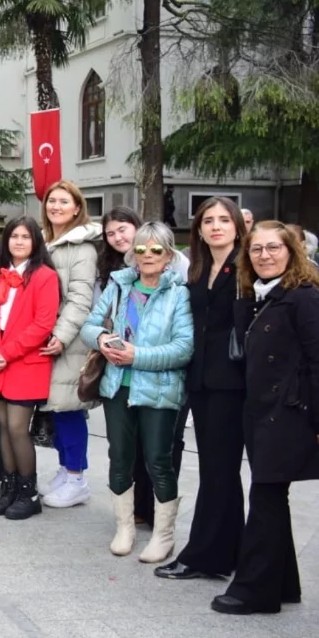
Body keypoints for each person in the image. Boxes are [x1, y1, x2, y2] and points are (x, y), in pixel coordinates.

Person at [211, 220, 319, 615]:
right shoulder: (260, 296)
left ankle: (255, 590)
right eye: (256, 249)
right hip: (261, 413)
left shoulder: (303, 297)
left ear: (292, 251)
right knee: (273, 496)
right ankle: (285, 584)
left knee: (266, 497)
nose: (264, 256)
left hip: (288, 415)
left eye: (274, 248)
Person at [81, 222, 193, 561]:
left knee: (159, 460)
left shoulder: (179, 293)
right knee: (120, 458)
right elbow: (90, 326)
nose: (147, 255)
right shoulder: (118, 286)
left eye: (156, 249)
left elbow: (184, 348)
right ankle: (124, 527)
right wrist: (101, 339)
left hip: (160, 390)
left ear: (169, 255)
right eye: (141, 249)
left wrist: (137, 355)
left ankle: (163, 535)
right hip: (117, 386)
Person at [157, 197, 249, 580]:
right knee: (219, 470)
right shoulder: (196, 268)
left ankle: (201, 555)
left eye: (223, 220)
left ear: (237, 226)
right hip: (200, 380)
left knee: (218, 471)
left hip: (234, 381)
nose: (215, 227)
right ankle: (230, 554)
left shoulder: (247, 268)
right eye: (207, 220)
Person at [0, 216, 61, 520]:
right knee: (4, 427)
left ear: (35, 241)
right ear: (6, 240)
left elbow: (42, 325)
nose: (20, 242)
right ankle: (9, 487)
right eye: (14, 236)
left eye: (26, 236)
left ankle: (29, 492)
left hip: (25, 362)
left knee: (16, 428)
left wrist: (5, 353)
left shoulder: (45, 276)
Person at [40, 180, 102, 508]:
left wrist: (60, 336)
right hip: (45, 337)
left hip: (68, 339)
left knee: (68, 409)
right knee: (54, 408)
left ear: (77, 208)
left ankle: (77, 478)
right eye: (52, 201)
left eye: (64, 202)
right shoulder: (45, 241)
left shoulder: (82, 247)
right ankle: (65, 469)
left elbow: (80, 298)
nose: (56, 207)